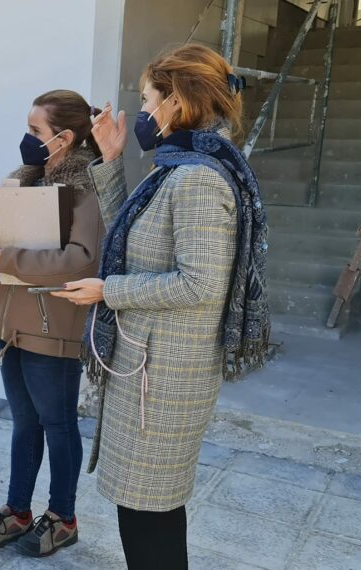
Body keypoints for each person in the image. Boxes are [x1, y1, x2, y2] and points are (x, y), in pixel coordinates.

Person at [52, 44, 269, 569]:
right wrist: (109, 158)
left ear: (176, 102)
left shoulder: (196, 177)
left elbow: (201, 284)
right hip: (151, 369)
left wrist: (109, 292)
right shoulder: (177, 165)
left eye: (148, 99)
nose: (142, 110)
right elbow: (134, 238)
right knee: (148, 509)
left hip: (165, 378)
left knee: (150, 515)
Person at [0, 90, 104, 557]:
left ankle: (63, 518)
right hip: (10, 324)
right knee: (25, 423)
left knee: (58, 423)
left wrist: (10, 257)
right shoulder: (22, 181)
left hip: (53, 327)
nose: (26, 139)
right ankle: (18, 512)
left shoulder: (86, 190)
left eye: (34, 131)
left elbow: (82, 260)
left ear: (63, 138)